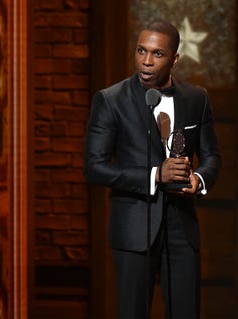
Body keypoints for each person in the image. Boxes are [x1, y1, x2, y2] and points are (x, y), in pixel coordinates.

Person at [84, 19, 221, 318]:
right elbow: (94, 168)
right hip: (134, 228)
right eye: (141, 51)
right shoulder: (110, 100)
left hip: (182, 229)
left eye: (157, 54)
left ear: (175, 59)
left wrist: (199, 179)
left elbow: (212, 157)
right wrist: (156, 175)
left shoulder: (196, 98)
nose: (146, 61)